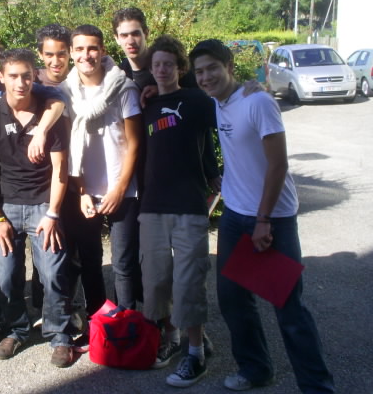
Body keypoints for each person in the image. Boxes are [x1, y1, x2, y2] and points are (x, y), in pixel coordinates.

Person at [191, 39, 335, 393]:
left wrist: (264, 220)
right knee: (233, 300)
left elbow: (278, 164)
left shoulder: (258, 102)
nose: (206, 77)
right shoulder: (218, 101)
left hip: (272, 219)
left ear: (229, 66)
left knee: (288, 307)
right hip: (235, 216)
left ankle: (317, 386)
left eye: (212, 68)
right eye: (199, 72)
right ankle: (256, 369)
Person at [0, 48, 75, 368]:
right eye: (13, 76)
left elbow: (60, 169)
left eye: (27, 76)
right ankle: (16, 329)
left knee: (53, 274)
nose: (20, 83)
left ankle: (59, 335)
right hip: (5, 209)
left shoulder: (49, 113)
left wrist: (53, 213)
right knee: (5, 277)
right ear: (1, 77)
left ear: (34, 76)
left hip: (44, 205)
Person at [139, 35, 218, 387]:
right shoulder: (146, 104)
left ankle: (196, 352)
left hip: (189, 204)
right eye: (156, 64)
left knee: (189, 282)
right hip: (153, 205)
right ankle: (171, 338)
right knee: (156, 281)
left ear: (180, 67)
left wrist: (215, 176)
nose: (161, 70)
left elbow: (217, 130)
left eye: (168, 64)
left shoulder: (197, 100)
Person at [60, 24, 143, 314]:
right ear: (71, 53)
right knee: (90, 262)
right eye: (80, 49)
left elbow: (135, 143)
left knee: (123, 264)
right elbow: (67, 146)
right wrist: (81, 190)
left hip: (123, 190)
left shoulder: (124, 88)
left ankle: (126, 322)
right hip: (85, 191)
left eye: (92, 48)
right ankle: (97, 323)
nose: (86, 55)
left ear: (103, 50)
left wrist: (119, 188)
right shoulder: (65, 93)